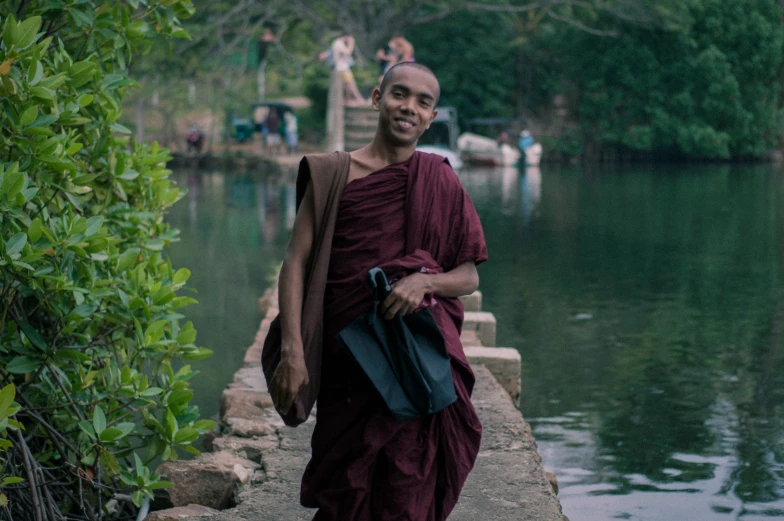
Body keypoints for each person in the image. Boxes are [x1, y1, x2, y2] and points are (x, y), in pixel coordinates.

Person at [268, 62, 487, 520]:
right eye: (399, 94)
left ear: (431, 117)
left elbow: (468, 275)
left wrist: (425, 280)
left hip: (411, 365)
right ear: (376, 97)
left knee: (406, 490)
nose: (409, 108)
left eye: (423, 102)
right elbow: (295, 262)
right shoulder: (332, 174)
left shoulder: (440, 179)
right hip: (348, 364)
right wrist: (292, 350)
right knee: (344, 491)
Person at [331, 32, 365, 106]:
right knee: (351, 84)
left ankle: (349, 100)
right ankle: (358, 99)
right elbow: (348, 53)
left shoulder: (338, 43)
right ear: (346, 37)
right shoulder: (338, 43)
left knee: (348, 84)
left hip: (343, 67)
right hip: (342, 68)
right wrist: (351, 43)